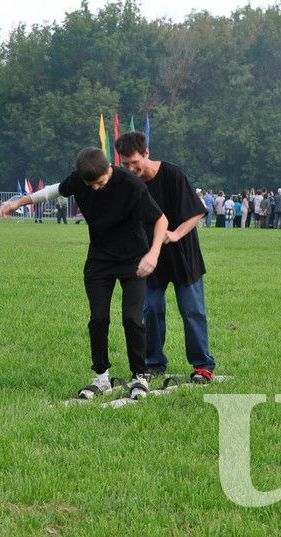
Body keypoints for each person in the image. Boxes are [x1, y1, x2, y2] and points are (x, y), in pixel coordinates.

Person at [0, 147, 168, 398]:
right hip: (99, 261)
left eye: (100, 182)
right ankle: (101, 377)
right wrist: (17, 203)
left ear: (109, 168)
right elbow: (52, 191)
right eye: (91, 185)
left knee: (132, 318)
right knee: (98, 319)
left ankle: (139, 376)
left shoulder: (131, 184)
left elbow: (161, 220)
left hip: (134, 260)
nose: (96, 188)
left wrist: (152, 255)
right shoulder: (81, 180)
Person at [114, 131, 216, 384]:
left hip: (183, 255)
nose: (130, 168)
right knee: (151, 310)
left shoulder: (172, 174)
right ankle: (153, 363)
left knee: (192, 311)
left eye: (134, 162)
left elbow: (197, 212)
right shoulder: (127, 183)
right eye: (125, 164)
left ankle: (202, 365)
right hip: (150, 257)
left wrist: (176, 234)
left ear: (146, 153)